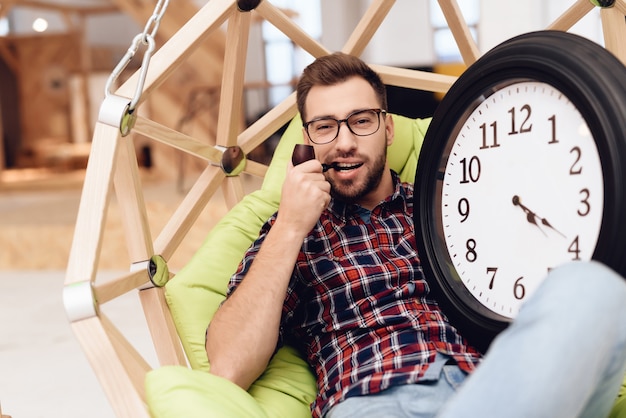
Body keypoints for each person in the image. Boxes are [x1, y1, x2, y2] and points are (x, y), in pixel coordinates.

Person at [205, 52, 626, 418]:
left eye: (361, 121)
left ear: (388, 129)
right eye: (325, 127)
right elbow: (229, 365)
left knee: (594, 287)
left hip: (488, 390)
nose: (345, 142)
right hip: (375, 398)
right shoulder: (288, 232)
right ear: (307, 140)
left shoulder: (452, 204)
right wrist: (291, 225)